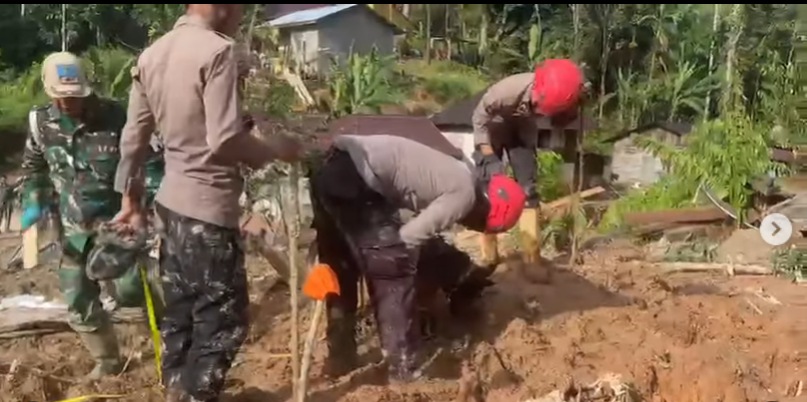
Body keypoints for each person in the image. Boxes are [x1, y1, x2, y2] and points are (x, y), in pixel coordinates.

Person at [112, 5, 302, 401]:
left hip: (170, 209)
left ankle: (176, 393)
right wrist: (274, 149)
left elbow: (132, 138)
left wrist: (130, 201)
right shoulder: (216, 52)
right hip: (207, 210)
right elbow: (225, 140)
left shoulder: (152, 54)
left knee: (180, 315)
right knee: (222, 320)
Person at [310, 134, 526, 382]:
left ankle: (341, 357)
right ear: (487, 213)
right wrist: (419, 285)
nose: (475, 228)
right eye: (483, 226)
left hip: (327, 168)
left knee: (340, 271)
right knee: (392, 266)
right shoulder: (464, 194)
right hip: (356, 177)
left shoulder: (455, 172)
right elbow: (408, 238)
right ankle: (404, 370)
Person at [17, 51, 164, 380]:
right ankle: (107, 361)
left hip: (116, 224)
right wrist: (33, 207)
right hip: (72, 230)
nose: (70, 102)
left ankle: (166, 340)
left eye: (76, 95)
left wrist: (145, 209)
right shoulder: (40, 122)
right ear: (48, 89)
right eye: (62, 96)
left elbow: (150, 163)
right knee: (78, 299)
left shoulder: (116, 116)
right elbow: (35, 169)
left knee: (131, 290)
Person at [471, 59, 583, 268]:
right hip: (492, 124)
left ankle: (532, 256)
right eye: (541, 107)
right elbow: (479, 119)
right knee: (490, 191)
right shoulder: (504, 92)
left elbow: (561, 119)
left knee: (528, 190)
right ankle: (489, 255)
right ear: (536, 90)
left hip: (522, 126)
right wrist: (488, 157)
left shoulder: (556, 96)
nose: (542, 111)